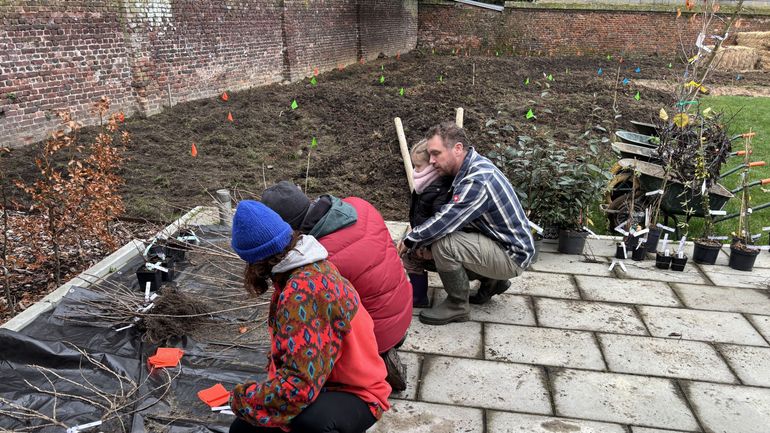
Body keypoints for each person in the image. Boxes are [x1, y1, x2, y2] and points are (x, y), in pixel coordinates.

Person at [228, 200, 390, 433]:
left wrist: (241, 398)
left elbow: (299, 387)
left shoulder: (303, 293)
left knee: (309, 424)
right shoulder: (309, 266)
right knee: (244, 428)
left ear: (255, 261)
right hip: (327, 381)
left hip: (357, 392)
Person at [260, 182, 411, 391]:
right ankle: (390, 345)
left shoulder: (320, 259)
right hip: (404, 309)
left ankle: (377, 361)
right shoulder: (358, 205)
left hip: (378, 333)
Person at [397, 121, 535, 326]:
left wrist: (409, 241)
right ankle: (492, 282)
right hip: (500, 244)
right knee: (429, 246)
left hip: (511, 256)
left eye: (436, 153)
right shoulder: (470, 167)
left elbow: (446, 220)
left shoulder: (477, 180)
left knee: (444, 243)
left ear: (458, 148)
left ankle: (457, 305)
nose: (432, 161)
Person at [404, 138, 453, 308]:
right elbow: (419, 215)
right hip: (425, 237)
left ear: (433, 165)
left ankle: (418, 298)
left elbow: (439, 222)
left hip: (436, 243)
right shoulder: (424, 186)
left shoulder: (439, 190)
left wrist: (425, 245)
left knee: (410, 258)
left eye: (418, 166)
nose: (415, 171)